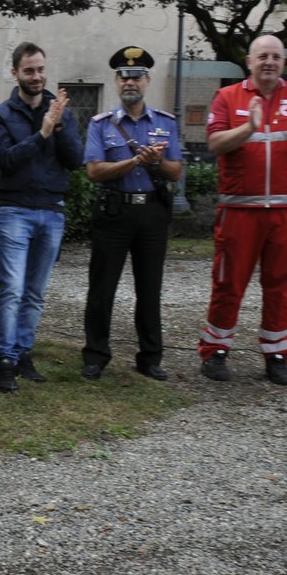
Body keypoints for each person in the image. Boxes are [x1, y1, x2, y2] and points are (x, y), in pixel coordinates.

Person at [198, 34, 287, 385]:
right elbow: (215, 143)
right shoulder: (227, 97)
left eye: (276, 57)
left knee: (281, 285)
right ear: (249, 62)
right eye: (262, 56)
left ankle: (277, 355)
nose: (269, 62)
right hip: (240, 211)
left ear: (283, 62)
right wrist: (249, 127)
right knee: (228, 282)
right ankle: (215, 351)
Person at [81, 46, 184, 381]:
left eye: (137, 77)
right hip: (114, 212)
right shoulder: (101, 125)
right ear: (115, 81)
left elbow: (175, 171)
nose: (130, 83)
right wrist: (135, 162)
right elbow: (94, 171)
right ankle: (96, 355)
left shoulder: (165, 124)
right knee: (102, 288)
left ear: (147, 81)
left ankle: (150, 357)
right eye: (124, 77)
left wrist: (158, 162)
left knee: (150, 289)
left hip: (152, 214)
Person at [0, 42, 83, 392]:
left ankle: (23, 352)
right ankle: (4, 360)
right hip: (14, 212)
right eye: (29, 70)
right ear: (15, 73)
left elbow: (76, 161)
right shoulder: (0, 114)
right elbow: (6, 160)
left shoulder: (63, 114)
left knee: (35, 292)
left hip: (52, 212)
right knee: (11, 289)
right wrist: (41, 133)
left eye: (41, 69)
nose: (37, 76)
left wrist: (57, 127)